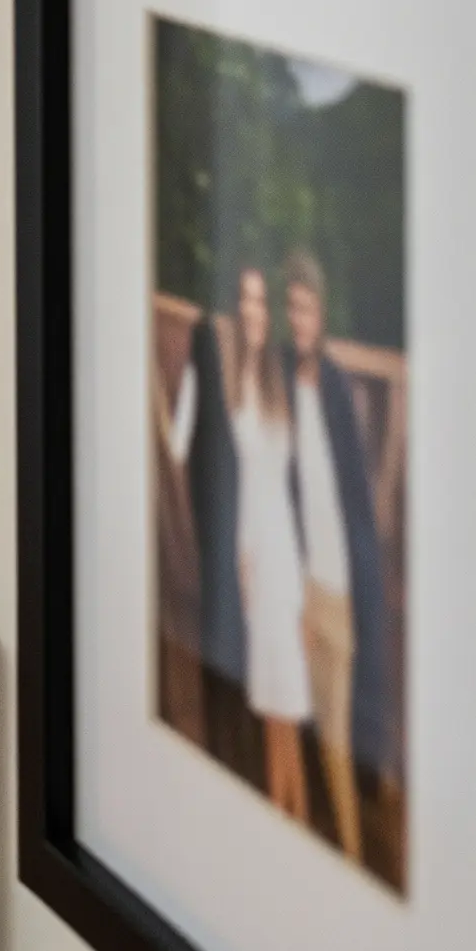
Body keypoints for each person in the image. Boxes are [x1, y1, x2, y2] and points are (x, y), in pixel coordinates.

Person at [283, 249, 388, 869]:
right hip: (301, 588)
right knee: (310, 726)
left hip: (340, 590)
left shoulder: (337, 389)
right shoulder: (282, 382)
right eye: (289, 306)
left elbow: (355, 504)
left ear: (320, 313)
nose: (297, 318)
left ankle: (348, 854)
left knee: (338, 742)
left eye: (305, 306)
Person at [229, 265, 312, 822]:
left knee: (288, 698)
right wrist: (241, 557)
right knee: (269, 707)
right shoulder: (235, 377)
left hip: (283, 551)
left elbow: (296, 485)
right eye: (246, 299)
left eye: (262, 300)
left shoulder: (283, 378)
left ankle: (296, 816)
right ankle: (276, 812)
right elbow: (237, 479)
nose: (254, 310)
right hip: (252, 550)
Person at [165, 303, 253, 782]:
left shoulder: (199, 385)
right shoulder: (233, 394)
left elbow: (177, 444)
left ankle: (221, 735)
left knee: (214, 620)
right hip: (236, 533)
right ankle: (237, 736)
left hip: (212, 531)